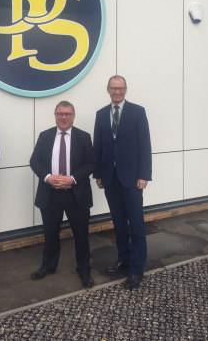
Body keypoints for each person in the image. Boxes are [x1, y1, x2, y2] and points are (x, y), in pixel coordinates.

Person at [30, 101, 96, 288]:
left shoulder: (83, 137)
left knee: (81, 234)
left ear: (74, 115)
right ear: (55, 115)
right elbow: (34, 161)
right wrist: (48, 177)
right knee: (50, 233)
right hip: (50, 194)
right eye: (60, 114)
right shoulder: (45, 136)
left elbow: (91, 163)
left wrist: (72, 179)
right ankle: (49, 266)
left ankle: (84, 270)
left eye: (67, 114)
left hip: (76, 194)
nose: (64, 117)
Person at [93, 76, 152, 289]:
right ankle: (124, 259)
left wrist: (144, 175)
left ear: (126, 89)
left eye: (120, 88)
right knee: (118, 224)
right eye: (113, 88)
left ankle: (137, 269)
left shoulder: (138, 111)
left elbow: (145, 144)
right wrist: (98, 174)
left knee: (136, 225)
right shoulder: (101, 114)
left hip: (132, 179)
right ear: (107, 89)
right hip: (110, 179)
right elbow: (98, 146)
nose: (117, 92)